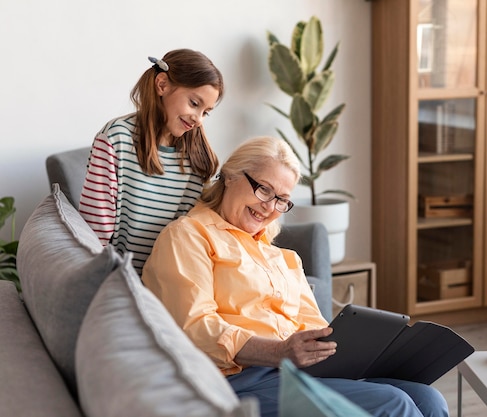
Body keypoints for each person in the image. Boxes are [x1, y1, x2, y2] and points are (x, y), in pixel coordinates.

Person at [142, 136, 450, 417]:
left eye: (281, 199)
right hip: (234, 381)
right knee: (393, 402)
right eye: (263, 189)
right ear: (231, 175)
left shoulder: (283, 258)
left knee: (427, 399)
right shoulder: (188, 235)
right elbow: (193, 326)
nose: (270, 206)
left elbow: (315, 327)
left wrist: (357, 353)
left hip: (299, 373)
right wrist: (277, 352)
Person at [79, 49, 224, 275]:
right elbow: (95, 231)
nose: (198, 119)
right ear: (162, 84)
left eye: (206, 112)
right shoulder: (116, 139)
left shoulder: (197, 156)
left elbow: (191, 233)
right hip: (121, 280)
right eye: (194, 103)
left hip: (174, 281)